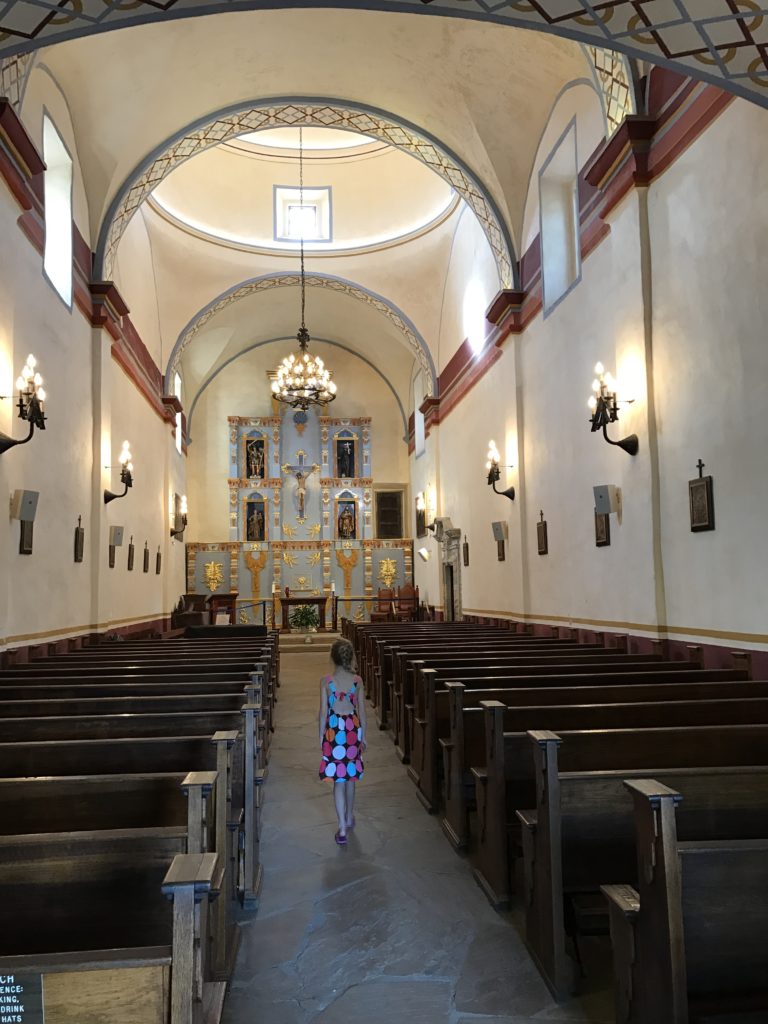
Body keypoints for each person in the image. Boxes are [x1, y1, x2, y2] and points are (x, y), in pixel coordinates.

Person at [318, 638, 367, 845]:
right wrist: (363, 737)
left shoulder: (326, 681)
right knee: (350, 779)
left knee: (338, 781)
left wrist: (321, 737)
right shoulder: (357, 681)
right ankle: (349, 816)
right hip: (352, 731)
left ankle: (342, 828)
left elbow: (322, 713)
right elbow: (362, 712)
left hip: (334, 732)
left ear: (333, 658)